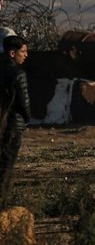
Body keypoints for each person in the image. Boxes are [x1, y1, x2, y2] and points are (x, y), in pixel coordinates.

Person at [0, 35, 30, 200]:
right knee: (7, 166)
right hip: (13, 125)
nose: (26, 55)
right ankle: (3, 201)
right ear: (12, 53)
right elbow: (24, 103)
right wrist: (27, 119)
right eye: (23, 51)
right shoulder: (18, 73)